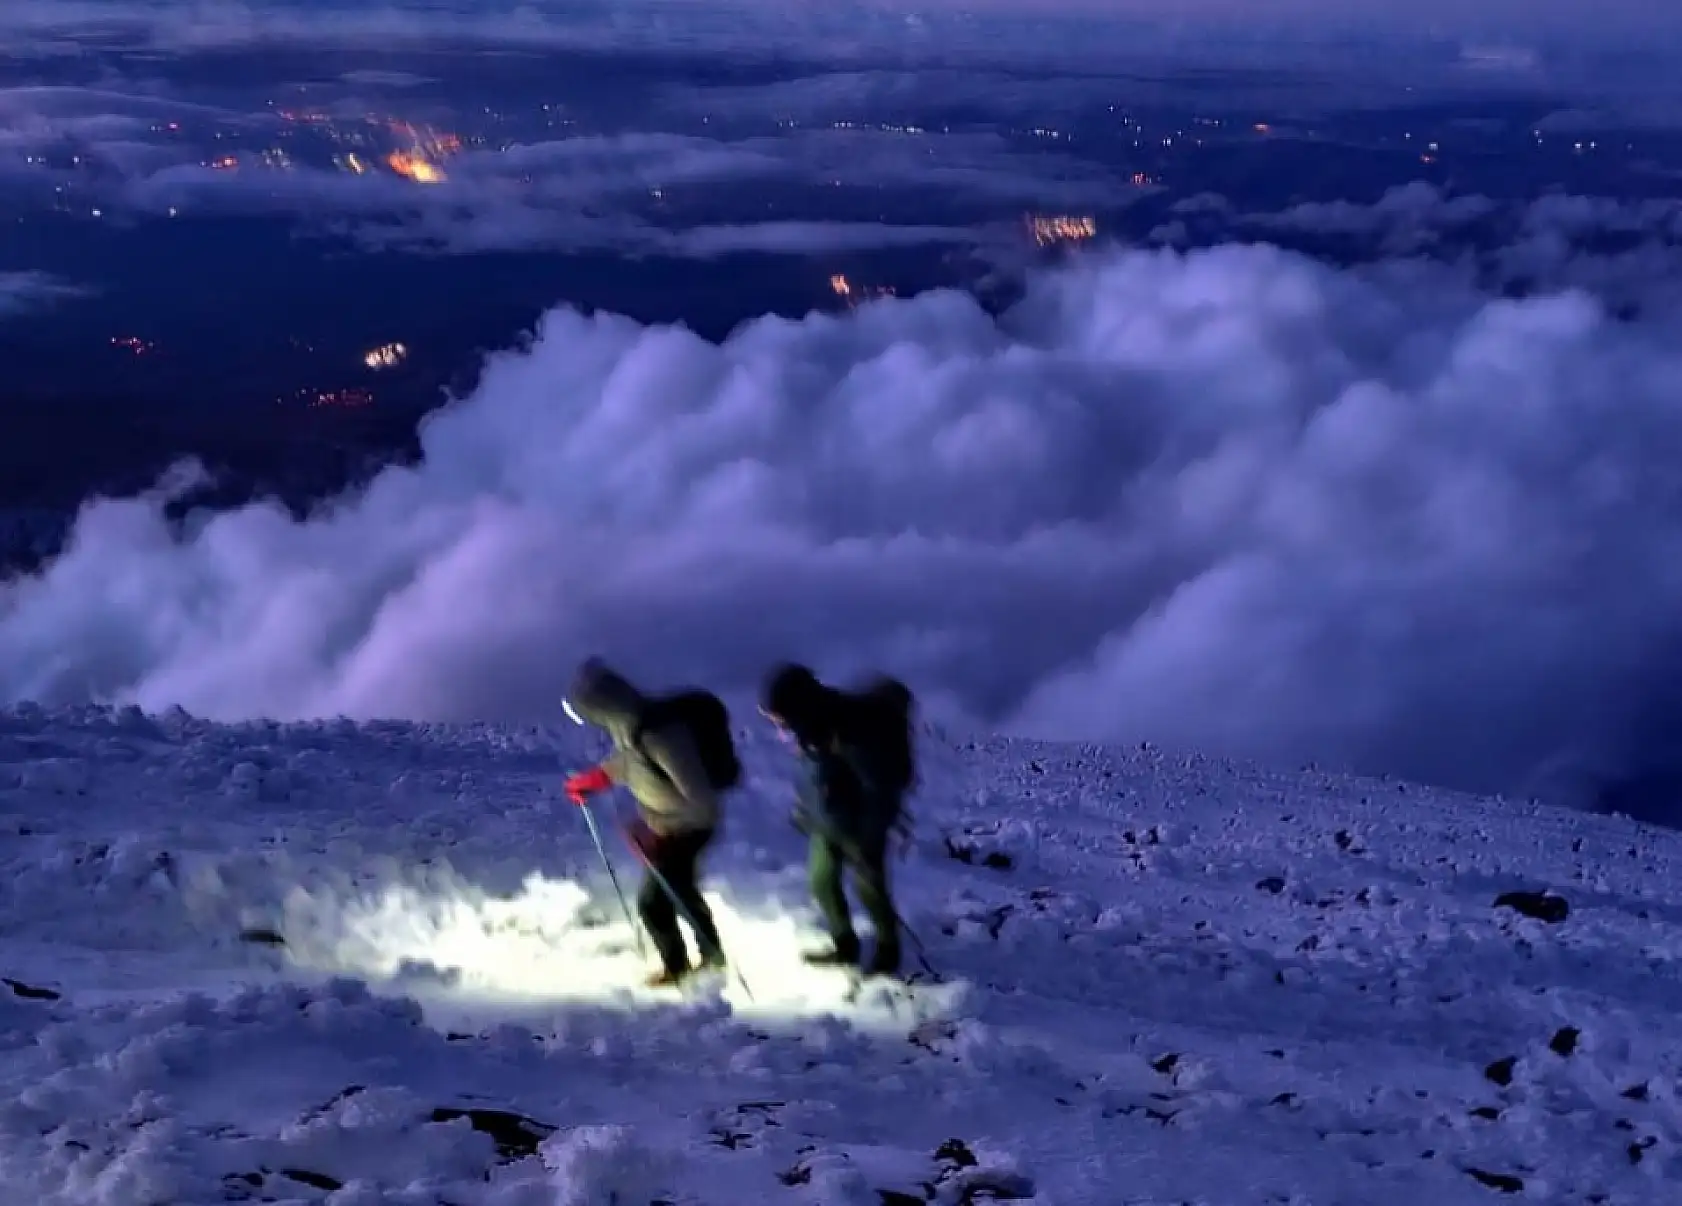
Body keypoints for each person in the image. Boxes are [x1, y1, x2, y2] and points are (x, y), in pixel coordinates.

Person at [562, 657, 729, 989]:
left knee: (658, 900)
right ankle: (695, 962)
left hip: (690, 828)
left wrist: (662, 833)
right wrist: (590, 782)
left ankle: (699, 965)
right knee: (676, 893)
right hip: (672, 829)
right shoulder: (633, 730)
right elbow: (627, 764)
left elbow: (699, 797)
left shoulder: (660, 735)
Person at [760, 662, 915, 977]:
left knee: (870, 888)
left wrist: (871, 834)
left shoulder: (848, 728)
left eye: (776, 715)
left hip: (860, 826)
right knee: (821, 881)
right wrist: (806, 813)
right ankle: (844, 945)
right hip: (828, 821)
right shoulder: (810, 727)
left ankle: (888, 951)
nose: (776, 724)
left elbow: (878, 786)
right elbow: (816, 776)